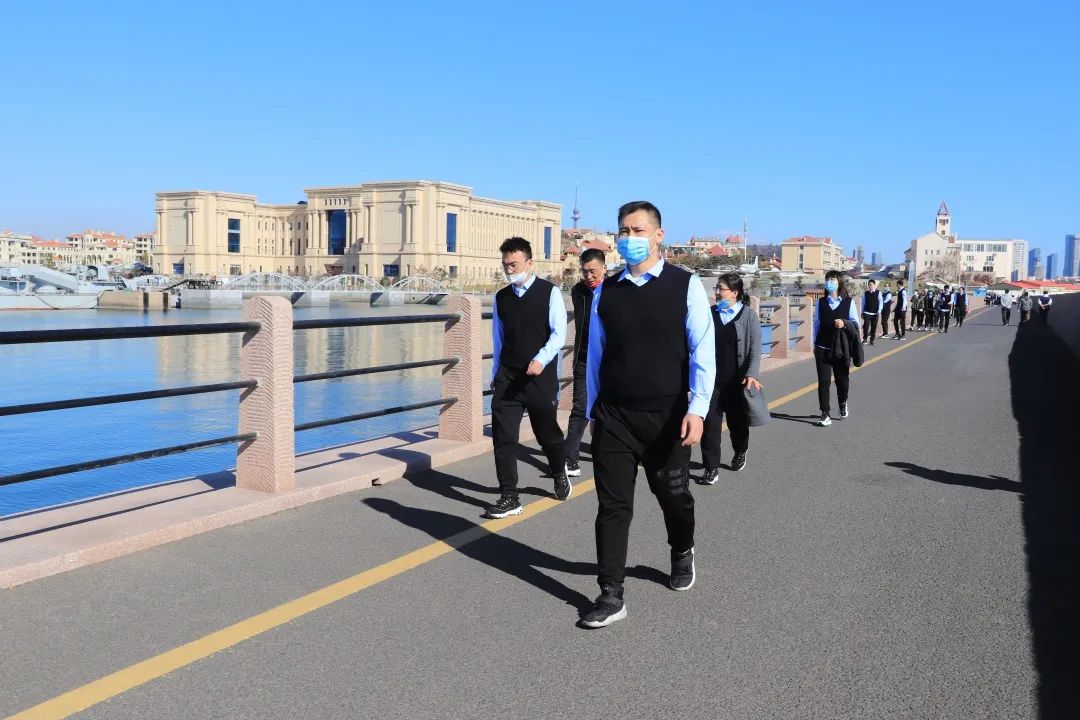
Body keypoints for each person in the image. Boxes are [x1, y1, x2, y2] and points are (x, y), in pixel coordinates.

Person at [580, 200, 715, 629]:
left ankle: (682, 548)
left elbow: (703, 351)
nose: (629, 238)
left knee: (673, 496)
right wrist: (592, 411)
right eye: (623, 231)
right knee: (612, 506)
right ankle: (610, 593)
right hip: (615, 417)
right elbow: (595, 354)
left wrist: (698, 409)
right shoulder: (606, 290)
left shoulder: (685, 285)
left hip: (667, 416)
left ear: (658, 235)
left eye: (638, 231)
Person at [486, 236, 571, 519]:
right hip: (508, 377)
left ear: (529, 263)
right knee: (503, 437)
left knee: (547, 434)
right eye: (505, 265)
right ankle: (509, 496)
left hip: (539, 377)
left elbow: (558, 333)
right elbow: (498, 338)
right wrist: (495, 373)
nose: (509, 270)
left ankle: (558, 470)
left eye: (514, 264)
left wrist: (541, 359)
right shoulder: (501, 298)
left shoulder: (550, 293)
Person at [698, 273, 762, 484]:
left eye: (721, 289)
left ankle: (740, 450)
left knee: (737, 423)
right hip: (711, 380)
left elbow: (755, 349)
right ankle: (711, 468)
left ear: (734, 293)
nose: (717, 292)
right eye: (716, 288)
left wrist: (751, 374)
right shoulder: (710, 314)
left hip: (737, 381)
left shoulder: (748, 316)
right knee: (710, 425)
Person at [565, 248, 606, 478]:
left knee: (610, 408)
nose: (588, 276)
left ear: (604, 268)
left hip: (609, 360)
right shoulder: (578, 291)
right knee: (579, 408)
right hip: (583, 358)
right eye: (584, 271)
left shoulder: (614, 290)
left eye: (593, 271)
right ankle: (569, 460)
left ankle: (609, 450)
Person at [814, 269, 861, 427]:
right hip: (822, 347)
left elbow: (856, 325)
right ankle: (825, 414)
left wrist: (844, 323)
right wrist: (814, 344)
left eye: (832, 280)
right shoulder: (820, 303)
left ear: (839, 282)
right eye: (827, 280)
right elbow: (816, 324)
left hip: (841, 349)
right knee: (823, 382)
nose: (829, 283)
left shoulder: (848, 302)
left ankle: (842, 402)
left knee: (842, 381)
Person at [861, 279, 881, 345]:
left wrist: (879, 310)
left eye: (871, 284)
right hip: (867, 312)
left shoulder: (878, 292)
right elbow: (863, 303)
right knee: (866, 326)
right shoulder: (865, 293)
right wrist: (862, 312)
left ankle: (872, 340)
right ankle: (865, 339)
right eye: (868, 284)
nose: (869, 286)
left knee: (873, 327)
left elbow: (880, 301)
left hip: (875, 313)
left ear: (874, 285)